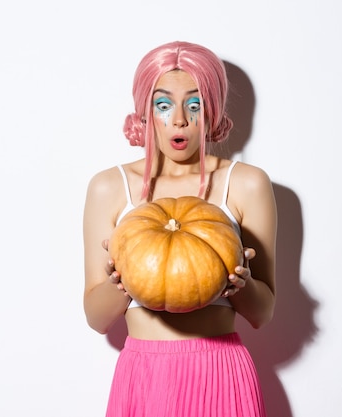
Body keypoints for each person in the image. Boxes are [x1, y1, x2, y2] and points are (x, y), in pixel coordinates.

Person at [83, 41, 277, 417]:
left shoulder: (247, 184)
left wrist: (241, 285)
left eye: (195, 104)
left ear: (213, 109)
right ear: (144, 111)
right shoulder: (109, 187)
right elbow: (96, 318)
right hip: (144, 376)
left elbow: (262, 313)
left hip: (221, 372)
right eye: (163, 104)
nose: (180, 121)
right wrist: (119, 283)